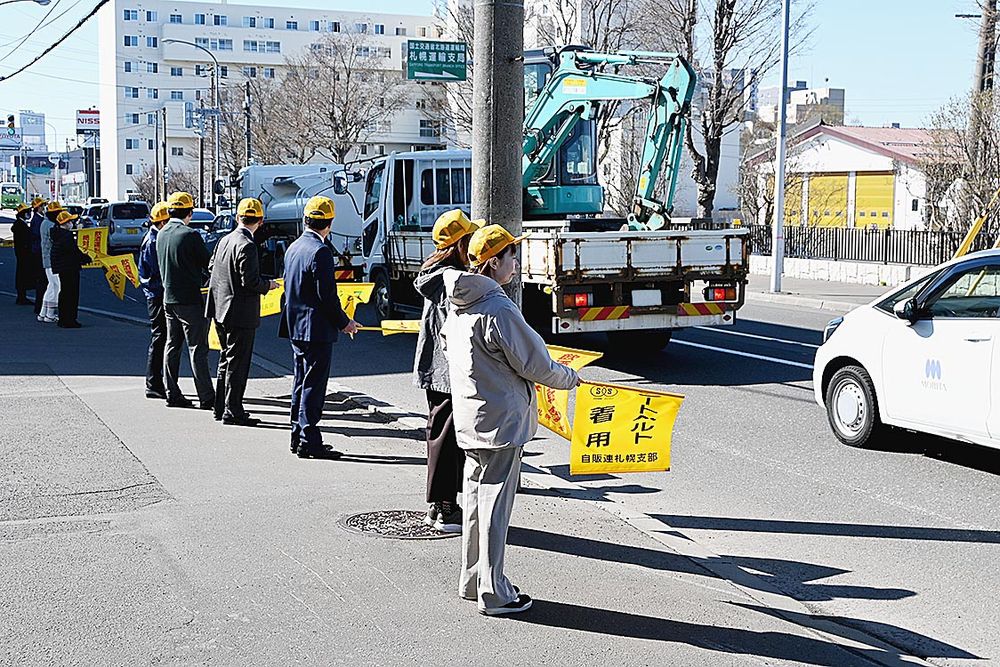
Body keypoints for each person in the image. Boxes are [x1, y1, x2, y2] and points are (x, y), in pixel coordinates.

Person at [443, 224, 579, 616]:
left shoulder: (458, 302)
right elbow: (537, 364)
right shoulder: (498, 308)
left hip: (470, 418)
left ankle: (472, 580)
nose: (515, 264)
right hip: (501, 422)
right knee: (494, 509)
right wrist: (569, 378)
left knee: (474, 503)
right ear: (493, 263)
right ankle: (494, 592)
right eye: (511, 256)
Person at [413, 209, 481, 534]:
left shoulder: (436, 272)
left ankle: (439, 506)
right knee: (444, 437)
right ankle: (444, 509)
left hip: (436, 368)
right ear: (460, 243)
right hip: (446, 369)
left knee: (442, 434)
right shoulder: (451, 279)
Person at [279, 195, 359, 458]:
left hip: (296, 326)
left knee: (300, 382)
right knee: (314, 384)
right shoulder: (321, 251)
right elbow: (326, 295)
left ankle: (297, 434)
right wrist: (345, 322)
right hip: (315, 329)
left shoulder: (295, 247)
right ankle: (309, 440)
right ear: (330, 223)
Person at [206, 197, 278, 426]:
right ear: (260, 220)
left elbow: (211, 267)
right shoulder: (247, 245)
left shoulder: (225, 239)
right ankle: (233, 410)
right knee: (238, 363)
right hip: (239, 312)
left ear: (238, 217)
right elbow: (250, 282)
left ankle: (221, 406)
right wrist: (269, 285)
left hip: (219, 307)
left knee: (225, 359)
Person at [157, 191, 215, 410]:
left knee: (172, 345)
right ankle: (207, 396)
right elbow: (207, 263)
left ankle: (171, 392)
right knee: (197, 348)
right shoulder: (189, 235)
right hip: (189, 299)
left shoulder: (162, 233)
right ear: (189, 212)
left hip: (168, 297)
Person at [139, 202, 170, 400]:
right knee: (159, 337)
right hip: (156, 293)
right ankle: (153, 382)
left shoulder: (153, 238)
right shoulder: (153, 242)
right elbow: (159, 272)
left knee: (160, 337)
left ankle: (155, 381)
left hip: (154, 292)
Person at [49, 210, 91, 329]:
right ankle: (70, 319)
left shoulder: (57, 234)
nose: (72, 223)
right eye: (70, 221)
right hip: (69, 267)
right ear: (66, 223)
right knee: (71, 294)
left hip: (62, 267)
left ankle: (63, 319)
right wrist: (85, 258)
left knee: (64, 293)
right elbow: (73, 252)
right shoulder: (66, 236)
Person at [38, 200, 64, 323]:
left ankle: (43, 312)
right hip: (52, 260)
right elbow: (57, 242)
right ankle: (50, 314)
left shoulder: (44, 223)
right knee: (57, 287)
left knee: (51, 286)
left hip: (46, 259)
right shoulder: (51, 226)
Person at [12, 203, 34, 305]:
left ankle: (22, 296)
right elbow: (24, 241)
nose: (29, 214)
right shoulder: (20, 225)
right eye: (28, 212)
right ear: (23, 214)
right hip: (23, 254)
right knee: (22, 275)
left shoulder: (21, 224)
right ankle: (21, 297)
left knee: (22, 274)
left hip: (22, 253)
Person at [28, 197, 47, 316]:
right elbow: (37, 235)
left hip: (38, 251)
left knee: (42, 281)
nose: (44, 208)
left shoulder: (38, 219)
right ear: (38, 208)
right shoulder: (37, 220)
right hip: (39, 252)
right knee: (42, 281)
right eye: (42, 206)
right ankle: (39, 306)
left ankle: (40, 306)